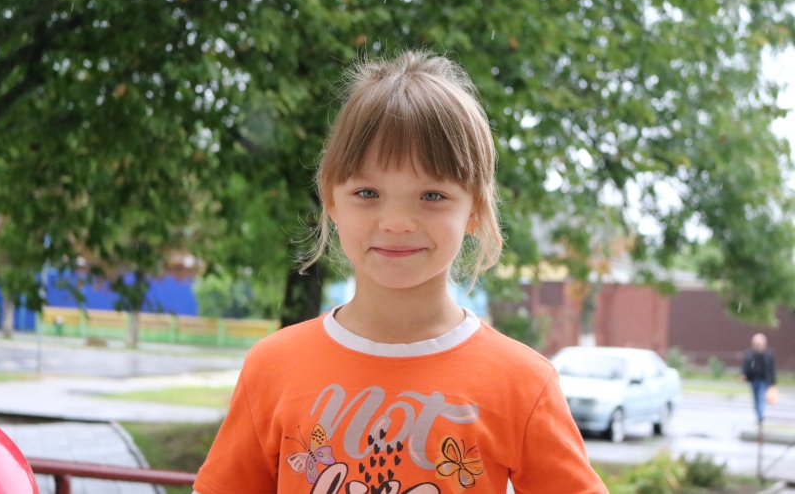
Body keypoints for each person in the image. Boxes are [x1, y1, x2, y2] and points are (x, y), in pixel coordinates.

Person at [193, 50, 607, 494]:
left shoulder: (522, 383)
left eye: (432, 196)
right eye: (367, 192)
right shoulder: (272, 368)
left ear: (474, 209)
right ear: (331, 201)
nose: (395, 223)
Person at [741, 333, 777, 423]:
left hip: (764, 380)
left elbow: (772, 369)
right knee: (756, 398)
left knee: (761, 397)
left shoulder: (768, 354)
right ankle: (758, 415)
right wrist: (743, 374)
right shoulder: (750, 354)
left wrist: (773, 382)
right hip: (753, 379)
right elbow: (745, 365)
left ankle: (761, 416)